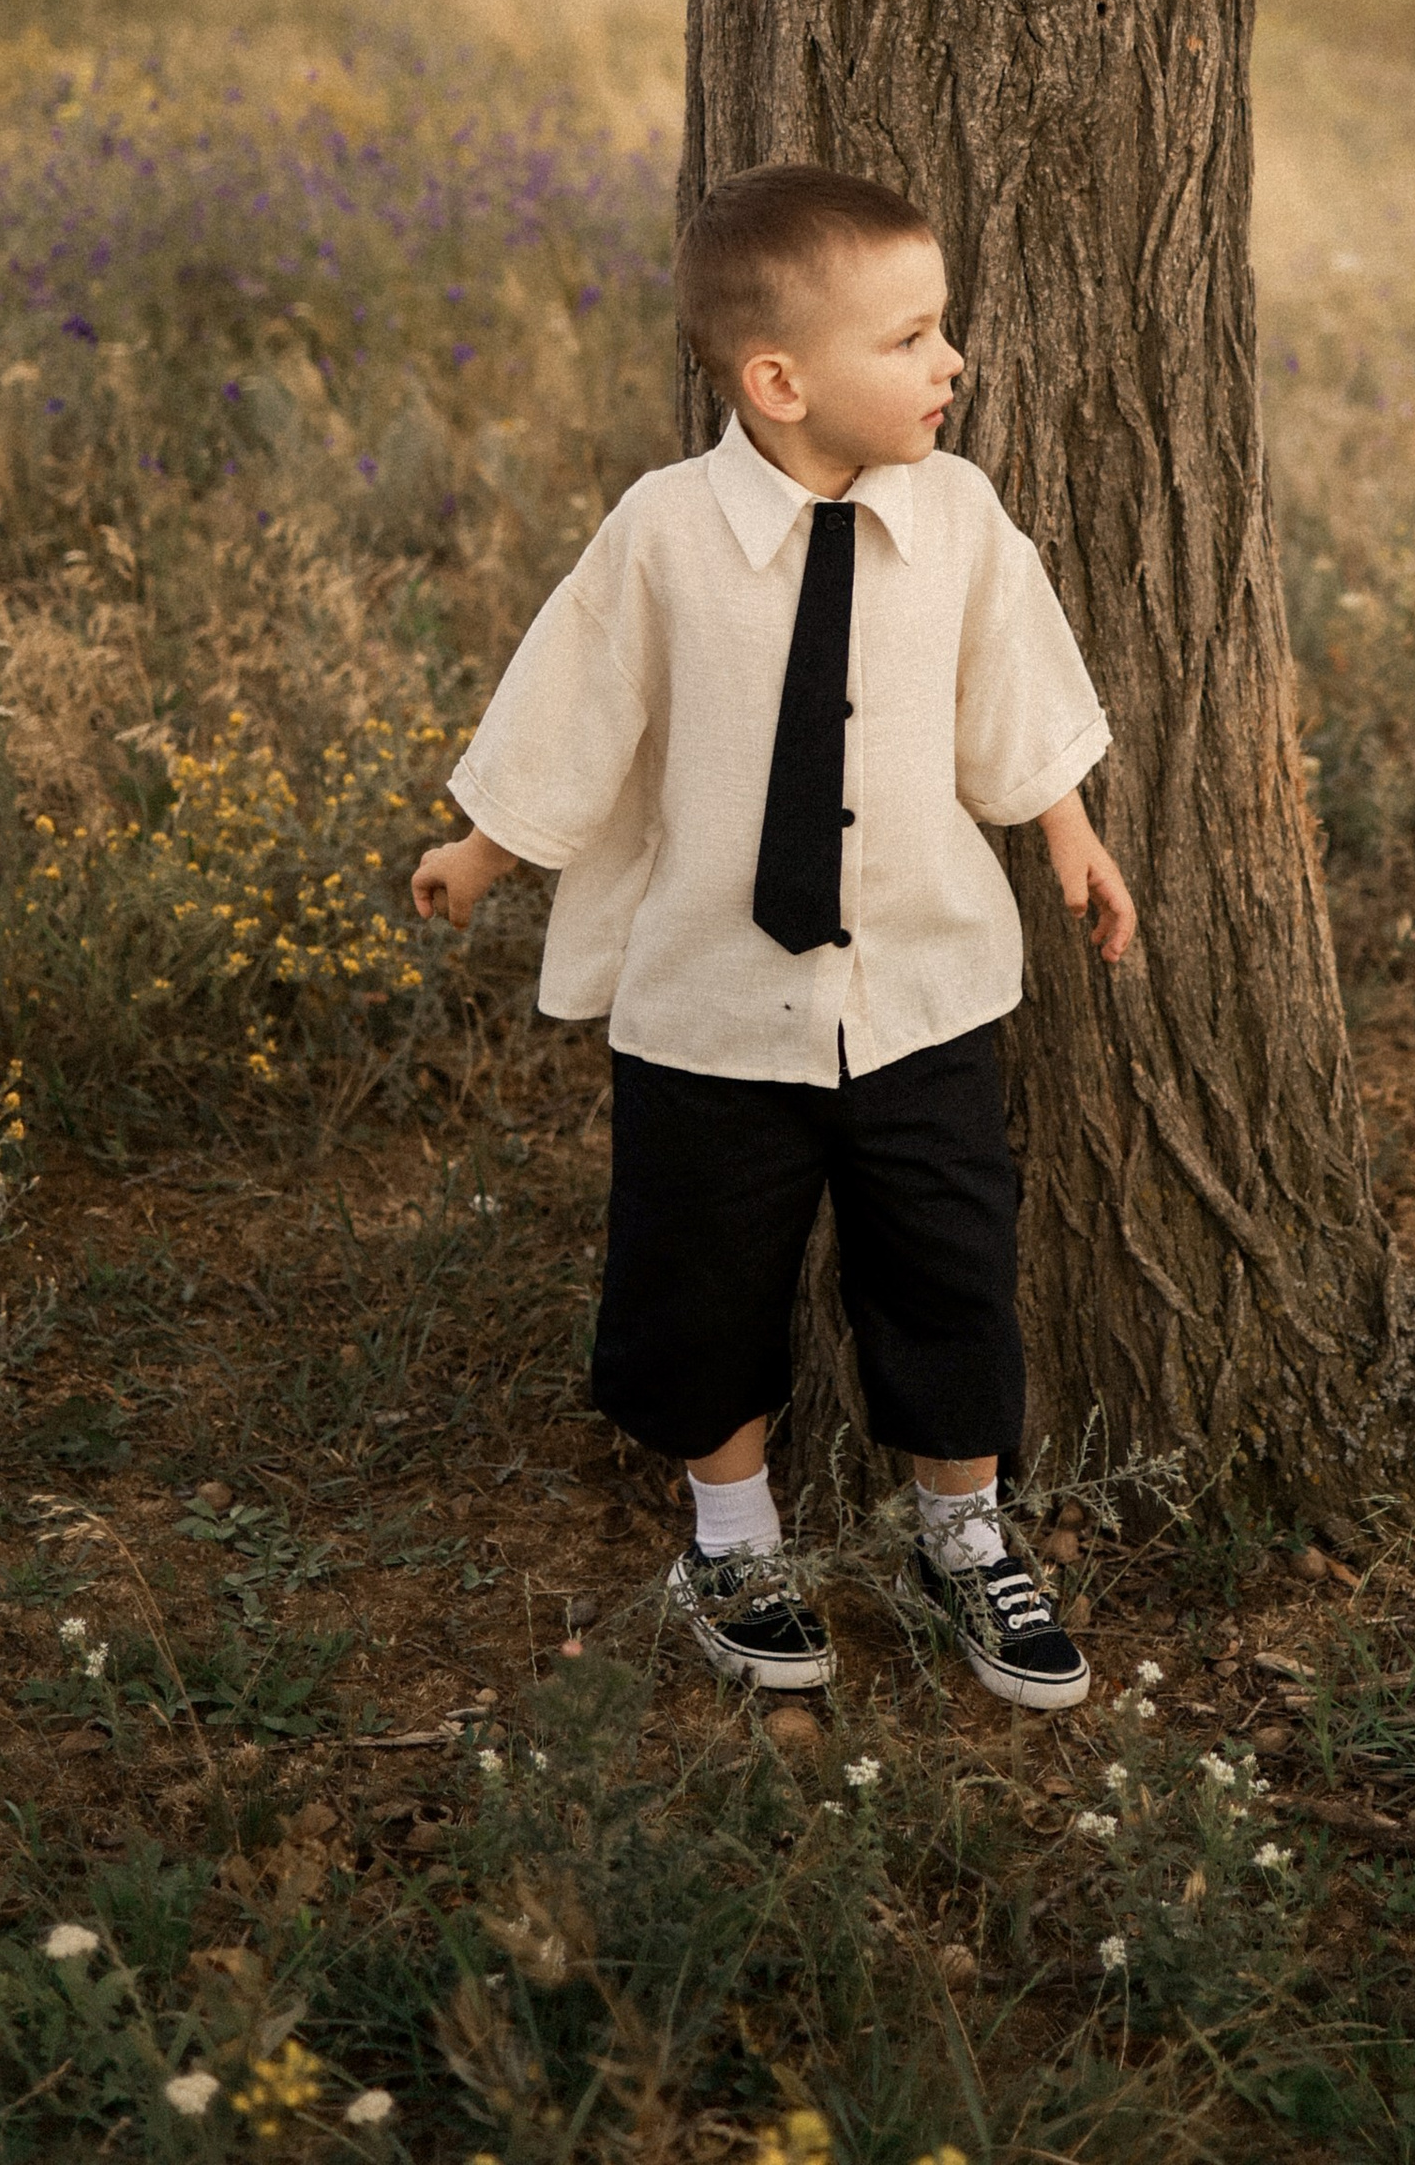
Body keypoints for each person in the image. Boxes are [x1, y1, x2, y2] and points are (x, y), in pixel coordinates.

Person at [408, 163, 1133, 1713]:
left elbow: (1012, 685)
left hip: (925, 992)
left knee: (951, 1264)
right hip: (714, 1010)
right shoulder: (664, 534)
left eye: (948, 331)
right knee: (701, 1272)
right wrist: (484, 848)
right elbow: (578, 696)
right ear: (780, 379)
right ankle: (730, 1535)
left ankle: (965, 1526)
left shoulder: (960, 517)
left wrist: (1069, 835)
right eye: (915, 337)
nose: (955, 363)